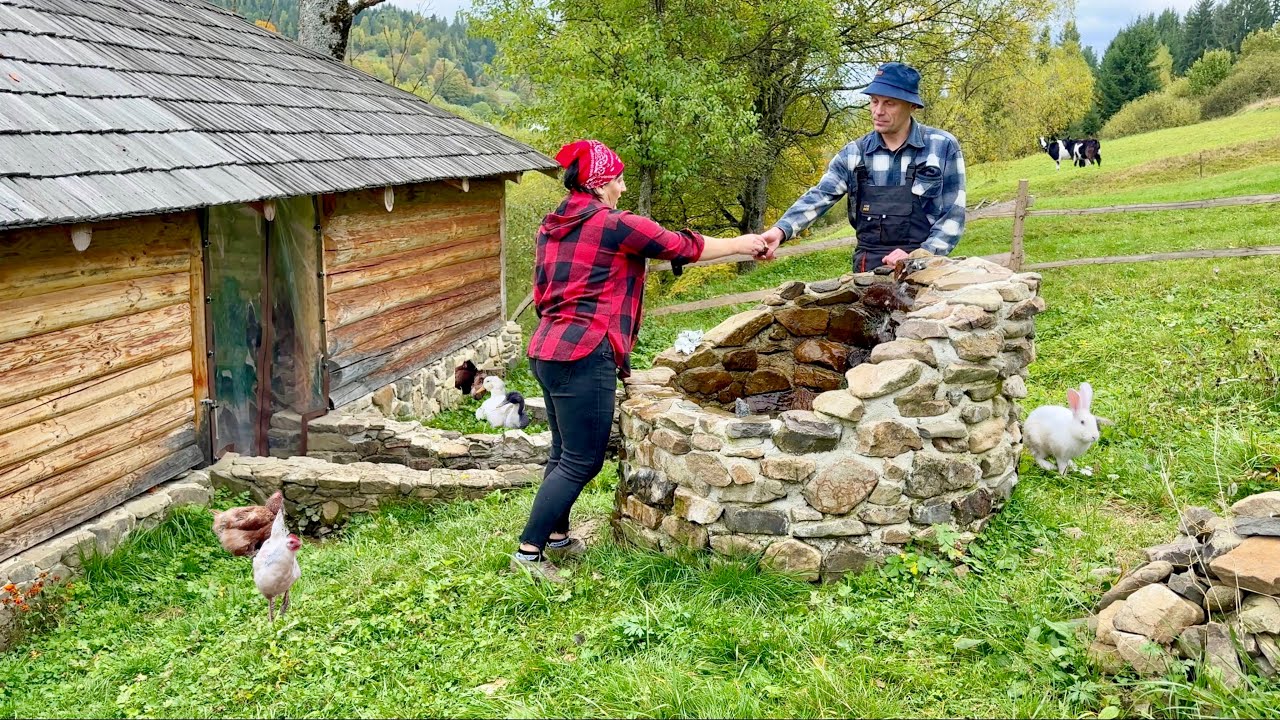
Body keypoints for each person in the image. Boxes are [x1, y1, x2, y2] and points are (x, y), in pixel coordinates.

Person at [512, 139, 767, 582]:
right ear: (601, 182)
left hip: (546, 349)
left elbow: (540, 289)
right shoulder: (612, 224)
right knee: (583, 460)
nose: (624, 187)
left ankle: (556, 540)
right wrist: (744, 243)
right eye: (619, 179)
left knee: (563, 452)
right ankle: (528, 554)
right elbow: (680, 246)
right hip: (584, 351)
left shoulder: (552, 225)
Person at [759, 62, 966, 272]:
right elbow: (819, 196)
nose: (878, 111)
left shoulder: (942, 147)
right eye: (874, 101)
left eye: (889, 103)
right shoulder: (854, 154)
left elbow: (952, 216)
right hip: (868, 268)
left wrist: (921, 255)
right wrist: (780, 231)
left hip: (926, 267)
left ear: (912, 106)